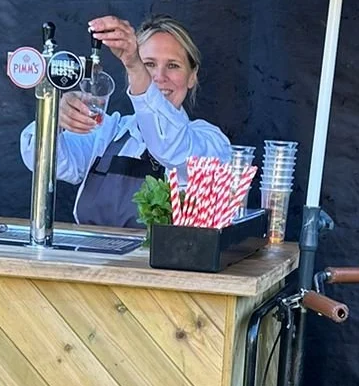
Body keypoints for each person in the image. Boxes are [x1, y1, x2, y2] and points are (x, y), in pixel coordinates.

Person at [20, 15, 231, 227]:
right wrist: (55, 119)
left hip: (164, 259)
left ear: (192, 76)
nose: (159, 77)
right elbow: (42, 161)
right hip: (92, 258)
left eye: (173, 65)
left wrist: (135, 64)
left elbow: (169, 146)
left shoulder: (210, 141)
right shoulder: (109, 131)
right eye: (148, 64)